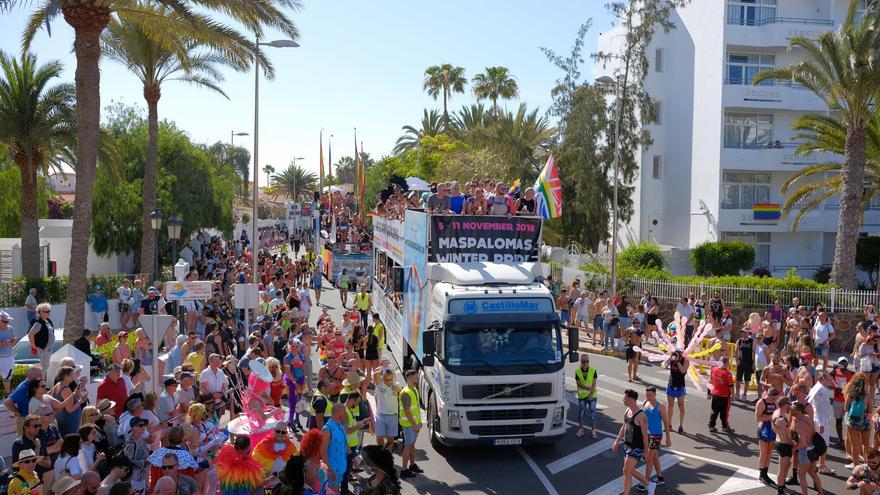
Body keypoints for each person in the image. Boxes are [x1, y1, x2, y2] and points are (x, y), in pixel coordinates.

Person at [612, 389, 655, 495]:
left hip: (636, 447)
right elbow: (624, 426)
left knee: (626, 471)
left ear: (631, 400)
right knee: (629, 470)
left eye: (625, 398)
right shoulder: (627, 411)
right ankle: (649, 484)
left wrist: (646, 451)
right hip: (627, 445)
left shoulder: (641, 416)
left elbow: (645, 435)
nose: (623, 400)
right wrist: (617, 441)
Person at [641, 386, 671, 490]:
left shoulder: (661, 407)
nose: (648, 397)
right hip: (647, 434)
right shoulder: (645, 403)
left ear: (655, 394)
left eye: (650, 395)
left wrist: (668, 438)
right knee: (654, 457)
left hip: (656, 435)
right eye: (647, 395)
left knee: (649, 458)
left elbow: (666, 424)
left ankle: (646, 482)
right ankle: (660, 477)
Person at [791, 401, 823, 495]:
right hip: (813, 449)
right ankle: (821, 493)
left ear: (799, 411)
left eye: (793, 409)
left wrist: (793, 449)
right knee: (813, 473)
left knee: (801, 475)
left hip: (806, 451)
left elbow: (803, 444)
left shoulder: (799, 424)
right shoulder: (808, 418)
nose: (791, 410)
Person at [252, 422, 298, 487]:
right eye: (278, 431)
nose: (280, 434)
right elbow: (255, 457)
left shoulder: (290, 446)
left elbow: (296, 461)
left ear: (286, 434)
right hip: (269, 482)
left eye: (283, 432)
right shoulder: (265, 443)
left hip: (283, 484)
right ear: (274, 430)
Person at [807, 371, 835, 474]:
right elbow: (819, 409)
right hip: (820, 420)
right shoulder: (821, 391)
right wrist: (822, 425)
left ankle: (816, 464)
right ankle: (822, 466)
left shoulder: (817, 387)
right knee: (823, 444)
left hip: (818, 419)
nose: (831, 381)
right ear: (823, 380)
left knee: (816, 442)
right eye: (829, 379)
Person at [399, 370, 422, 479]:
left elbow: (416, 408)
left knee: (411, 445)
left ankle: (412, 465)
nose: (417, 378)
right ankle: (403, 470)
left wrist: (419, 422)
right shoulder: (405, 393)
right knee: (408, 446)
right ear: (410, 378)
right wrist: (414, 425)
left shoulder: (414, 390)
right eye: (416, 376)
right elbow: (407, 411)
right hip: (409, 425)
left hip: (413, 424)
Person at [321, 404, 350, 493]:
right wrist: (330, 471)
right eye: (345, 413)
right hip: (332, 470)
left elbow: (344, 442)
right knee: (333, 492)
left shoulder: (339, 425)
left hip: (340, 468)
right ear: (338, 415)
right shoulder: (327, 429)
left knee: (336, 491)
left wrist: (350, 452)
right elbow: (323, 452)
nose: (346, 415)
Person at [373, 365, 400, 452]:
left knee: (390, 438)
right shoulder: (379, 384)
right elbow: (375, 374)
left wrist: (398, 391)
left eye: (390, 379)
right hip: (381, 415)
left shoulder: (397, 385)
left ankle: (387, 453)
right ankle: (380, 452)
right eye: (386, 379)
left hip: (393, 415)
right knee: (379, 436)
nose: (388, 381)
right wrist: (383, 368)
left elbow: (402, 395)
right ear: (383, 378)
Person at [755, 387, 780, 486]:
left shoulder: (775, 401)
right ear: (768, 395)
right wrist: (771, 417)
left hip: (773, 429)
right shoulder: (761, 402)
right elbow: (758, 418)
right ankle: (761, 474)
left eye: (776, 399)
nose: (774, 401)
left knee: (769, 453)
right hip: (763, 429)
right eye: (773, 399)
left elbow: (778, 412)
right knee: (764, 453)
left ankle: (765, 473)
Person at [772, 397, 793, 495]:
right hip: (783, 444)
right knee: (782, 468)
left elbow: (774, 429)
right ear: (785, 405)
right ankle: (780, 490)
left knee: (787, 465)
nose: (791, 405)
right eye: (789, 403)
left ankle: (782, 484)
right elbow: (785, 439)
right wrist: (794, 443)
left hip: (779, 442)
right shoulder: (781, 419)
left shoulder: (777, 412)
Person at [574, 354, 598, 439]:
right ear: (581, 362)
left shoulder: (593, 370)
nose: (586, 363)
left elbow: (594, 384)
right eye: (584, 361)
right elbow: (578, 383)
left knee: (593, 413)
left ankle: (593, 431)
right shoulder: (577, 371)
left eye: (587, 361)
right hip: (582, 396)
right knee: (581, 413)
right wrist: (588, 388)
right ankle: (581, 429)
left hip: (592, 396)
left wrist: (591, 394)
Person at [709, 356, 734, 432]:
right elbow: (731, 386)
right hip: (724, 396)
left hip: (715, 394)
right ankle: (725, 426)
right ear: (726, 364)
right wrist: (733, 395)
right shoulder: (728, 374)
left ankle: (711, 425)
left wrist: (709, 392)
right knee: (724, 413)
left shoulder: (714, 370)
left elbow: (711, 381)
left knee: (714, 411)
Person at [27, 302, 55, 372]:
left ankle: (42, 381)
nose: (48, 312)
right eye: (46, 311)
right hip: (43, 349)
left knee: (46, 367)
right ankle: (42, 381)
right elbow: (30, 334)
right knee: (44, 367)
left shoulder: (48, 320)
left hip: (48, 348)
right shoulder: (39, 322)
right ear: (40, 312)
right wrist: (34, 346)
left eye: (49, 311)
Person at [666, 350, 688, 434]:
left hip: (680, 386)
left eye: (679, 353)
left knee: (681, 405)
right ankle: (669, 424)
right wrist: (670, 357)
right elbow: (664, 365)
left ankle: (681, 425)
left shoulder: (685, 361)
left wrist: (678, 361)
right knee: (670, 406)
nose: (677, 354)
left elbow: (682, 371)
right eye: (676, 352)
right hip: (671, 385)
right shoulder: (672, 359)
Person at [734, 327, 755, 401]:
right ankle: (737, 393)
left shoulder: (752, 341)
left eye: (745, 332)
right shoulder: (739, 341)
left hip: (749, 363)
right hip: (741, 362)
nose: (743, 333)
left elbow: (754, 352)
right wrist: (737, 360)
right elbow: (736, 351)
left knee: (747, 380)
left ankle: (745, 394)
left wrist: (753, 363)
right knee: (738, 379)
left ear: (748, 333)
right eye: (742, 332)